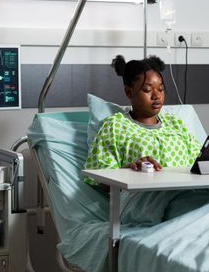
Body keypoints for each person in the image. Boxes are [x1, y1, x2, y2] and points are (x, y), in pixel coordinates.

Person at [84, 55, 200, 185]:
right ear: (129, 92)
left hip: (189, 192)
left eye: (160, 89)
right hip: (146, 198)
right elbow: (99, 178)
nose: (157, 96)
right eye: (147, 90)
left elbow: (201, 165)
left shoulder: (175, 124)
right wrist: (129, 172)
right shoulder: (115, 126)